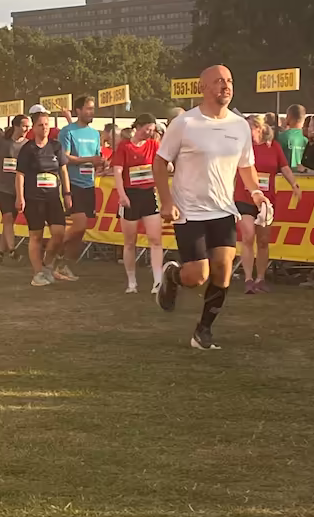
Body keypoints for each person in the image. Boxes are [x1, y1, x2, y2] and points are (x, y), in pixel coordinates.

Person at [153, 65, 269, 351]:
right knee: (198, 276)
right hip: (189, 209)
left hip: (223, 209)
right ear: (203, 88)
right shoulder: (185, 123)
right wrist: (166, 201)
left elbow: (246, 165)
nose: (225, 86)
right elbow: (159, 162)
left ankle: (203, 331)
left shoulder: (239, 125)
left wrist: (256, 193)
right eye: (218, 82)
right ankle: (174, 275)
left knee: (224, 271)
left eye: (229, 81)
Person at [236, 114, 300, 294]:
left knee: (263, 241)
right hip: (243, 197)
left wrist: (294, 184)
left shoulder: (274, 147)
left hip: (267, 200)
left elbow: (284, 167)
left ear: (259, 128)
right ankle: (248, 278)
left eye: (248, 127)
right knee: (248, 236)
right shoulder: (240, 148)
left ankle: (260, 278)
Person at [16, 111, 71, 286]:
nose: (45, 128)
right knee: (36, 236)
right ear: (34, 127)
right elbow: (20, 174)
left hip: (54, 197)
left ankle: (47, 265)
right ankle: (38, 274)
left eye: (47, 124)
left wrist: (67, 194)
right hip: (34, 198)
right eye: (41, 124)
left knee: (59, 233)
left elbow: (63, 171)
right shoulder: (28, 148)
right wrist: (20, 197)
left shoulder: (56, 146)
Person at [112, 112, 164, 294]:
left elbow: (162, 164)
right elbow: (117, 172)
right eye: (147, 129)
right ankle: (131, 281)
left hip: (149, 195)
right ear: (138, 127)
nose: (150, 133)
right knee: (129, 242)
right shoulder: (124, 147)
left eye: (152, 130)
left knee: (155, 239)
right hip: (131, 196)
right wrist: (122, 194)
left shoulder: (154, 145)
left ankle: (158, 281)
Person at [57, 95, 102, 281]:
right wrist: (89, 160)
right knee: (79, 225)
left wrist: (100, 163)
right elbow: (64, 158)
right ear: (78, 111)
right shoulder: (68, 131)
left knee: (81, 231)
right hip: (73, 183)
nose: (92, 112)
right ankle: (51, 249)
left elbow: (96, 156)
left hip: (89, 184)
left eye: (93, 109)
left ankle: (63, 265)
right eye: (88, 109)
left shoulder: (95, 134)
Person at [0, 114, 30, 263]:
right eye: (24, 126)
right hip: (2, 186)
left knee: (9, 221)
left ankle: (1, 252)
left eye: (29, 126)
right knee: (7, 217)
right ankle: (13, 250)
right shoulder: (2, 142)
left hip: (19, 188)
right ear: (16, 126)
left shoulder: (29, 144)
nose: (27, 129)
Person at [277, 104, 308, 169]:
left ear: (289, 116)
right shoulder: (309, 138)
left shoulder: (282, 137)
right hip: (306, 177)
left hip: (286, 176)